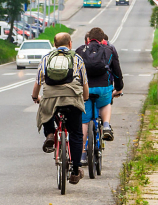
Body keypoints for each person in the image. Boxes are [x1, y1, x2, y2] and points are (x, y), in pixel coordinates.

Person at [32, 32, 89, 184]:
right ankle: (76, 170)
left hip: (51, 97)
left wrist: (35, 97)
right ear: (70, 44)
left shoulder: (46, 58)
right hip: (72, 99)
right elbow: (84, 83)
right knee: (76, 134)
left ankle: (50, 134)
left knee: (45, 109)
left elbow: (38, 81)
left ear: (54, 44)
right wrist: (84, 98)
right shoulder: (77, 58)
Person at [75, 27, 123, 144]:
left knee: (84, 122)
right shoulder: (108, 50)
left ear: (88, 39)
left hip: (85, 89)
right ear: (102, 40)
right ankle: (106, 125)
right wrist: (119, 88)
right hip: (104, 88)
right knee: (106, 103)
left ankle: (82, 154)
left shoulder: (80, 50)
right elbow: (117, 72)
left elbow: (74, 71)